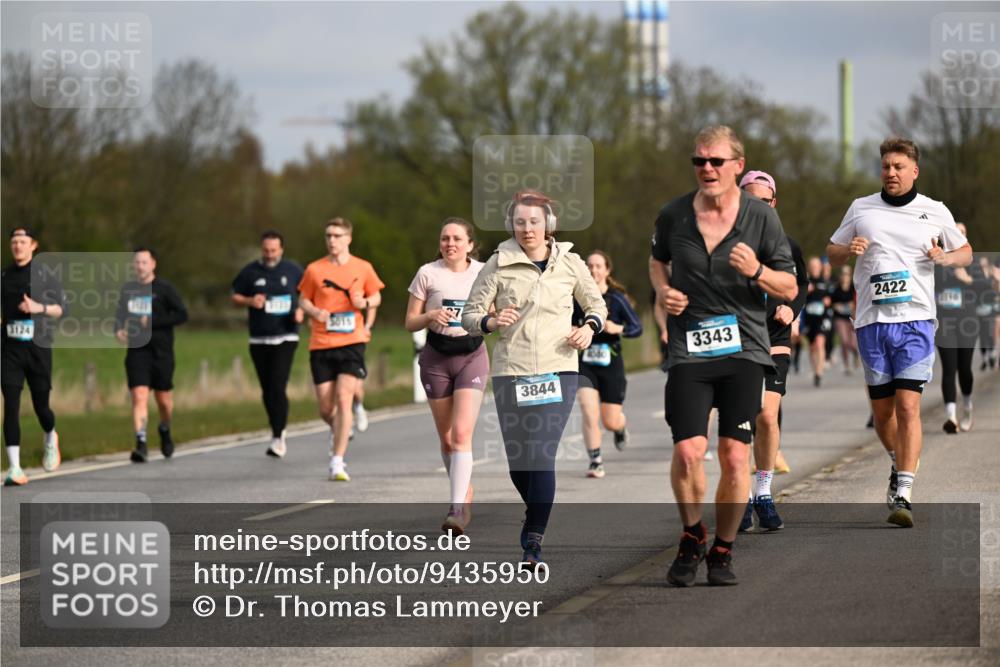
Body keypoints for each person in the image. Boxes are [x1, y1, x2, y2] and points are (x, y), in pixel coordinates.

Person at [650, 126, 797, 586]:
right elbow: (657, 262)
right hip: (689, 351)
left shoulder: (761, 218)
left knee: (735, 459)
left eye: (716, 161)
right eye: (699, 161)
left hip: (745, 352)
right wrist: (664, 291)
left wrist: (757, 271)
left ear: (737, 163)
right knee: (688, 451)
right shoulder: (673, 215)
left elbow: (789, 287)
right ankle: (693, 534)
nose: (707, 169)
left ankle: (723, 550)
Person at [827, 137, 972, 528]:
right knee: (883, 413)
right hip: (872, 322)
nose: (891, 173)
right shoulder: (861, 208)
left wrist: (945, 256)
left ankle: (904, 491)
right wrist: (848, 250)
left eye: (898, 167)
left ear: (914, 171)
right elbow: (832, 251)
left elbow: (967, 252)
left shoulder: (935, 211)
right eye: (886, 166)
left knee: (909, 407)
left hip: (917, 320)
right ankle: (898, 461)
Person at [463, 190, 607, 567]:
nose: (527, 229)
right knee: (519, 463)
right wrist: (491, 322)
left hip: (559, 369)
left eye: (535, 222)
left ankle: (533, 541)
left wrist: (589, 328)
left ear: (549, 226)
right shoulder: (497, 264)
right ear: (512, 224)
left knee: (541, 455)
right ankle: (536, 511)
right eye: (520, 222)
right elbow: (470, 315)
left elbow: (597, 306)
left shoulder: (571, 263)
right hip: (512, 371)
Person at [405, 218, 488, 534]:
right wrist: (429, 315)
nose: (450, 243)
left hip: (471, 356)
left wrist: (489, 319)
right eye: (444, 238)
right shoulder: (428, 273)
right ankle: (463, 489)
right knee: (448, 438)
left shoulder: (483, 272)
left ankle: (457, 509)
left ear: (469, 244)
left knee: (462, 433)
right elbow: (410, 322)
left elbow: (494, 311)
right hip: (436, 358)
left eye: (456, 238)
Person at [737, 170, 806, 532]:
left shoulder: (787, 244)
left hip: (776, 335)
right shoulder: (727, 243)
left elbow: (802, 284)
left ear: (773, 203)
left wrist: (791, 308)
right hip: (739, 338)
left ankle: (763, 491)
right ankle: (743, 495)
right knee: (742, 417)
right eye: (750, 200)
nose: (757, 207)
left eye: (764, 201)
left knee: (766, 414)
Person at [298, 217, 384, 482]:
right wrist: (314, 311)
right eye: (328, 236)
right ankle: (339, 426)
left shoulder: (363, 267)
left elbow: (377, 296)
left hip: (352, 341)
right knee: (326, 408)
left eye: (337, 235)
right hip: (321, 343)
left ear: (348, 238)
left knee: (343, 399)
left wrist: (365, 301)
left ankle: (337, 462)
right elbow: (303, 299)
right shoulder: (314, 269)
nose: (332, 240)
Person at [231, 230, 304, 457]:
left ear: (281, 249)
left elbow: (309, 295)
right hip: (259, 337)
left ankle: (278, 435)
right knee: (266, 389)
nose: (270, 254)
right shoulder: (251, 271)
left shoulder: (293, 270)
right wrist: (250, 300)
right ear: (261, 249)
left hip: (286, 336)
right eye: (266, 250)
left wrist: (301, 311)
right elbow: (234, 295)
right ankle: (275, 429)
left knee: (277, 384)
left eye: (274, 250)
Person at [2, 227, 65, 485]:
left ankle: (50, 435)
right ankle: (14, 468)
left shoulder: (45, 276)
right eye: (14, 242)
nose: (18, 246)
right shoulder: (4, 275)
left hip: (38, 349)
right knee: (11, 406)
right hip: (10, 350)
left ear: (33, 245)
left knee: (42, 408)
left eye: (23, 241)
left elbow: (63, 309)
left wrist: (36, 307)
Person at [574, 250, 643, 478]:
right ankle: (595, 461)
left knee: (610, 421)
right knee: (588, 411)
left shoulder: (617, 299)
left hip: (611, 362)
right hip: (585, 363)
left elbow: (637, 327)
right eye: (590, 266)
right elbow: (562, 322)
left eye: (598, 266)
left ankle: (620, 427)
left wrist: (618, 328)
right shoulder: (576, 297)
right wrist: (571, 330)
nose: (594, 270)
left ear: (607, 270)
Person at [116, 248, 188, 463]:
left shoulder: (165, 289)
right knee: (139, 396)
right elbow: (120, 315)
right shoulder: (128, 290)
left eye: (144, 262)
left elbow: (183, 314)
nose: (140, 266)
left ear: (153, 264)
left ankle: (165, 428)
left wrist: (154, 323)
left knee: (163, 401)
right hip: (138, 351)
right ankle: (141, 443)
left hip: (162, 352)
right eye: (137, 262)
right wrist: (118, 329)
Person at [934, 222, 977, 434]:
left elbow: (986, 289)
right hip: (944, 324)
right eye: (955, 232)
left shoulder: (972, 263)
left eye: (962, 232)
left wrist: (967, 279)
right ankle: (951, 416)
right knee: (949, 369)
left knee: (965, 369)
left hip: (967, 323)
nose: (958, 235)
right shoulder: (938, 264)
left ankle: (967, 406)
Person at [801, 256, 833, 387]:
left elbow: (832, 297)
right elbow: (797, 298)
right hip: (809, 318)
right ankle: (815, 370)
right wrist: (805, 292)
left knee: (820, 343)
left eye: (817, 266)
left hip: (822, 317)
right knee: (812, 346)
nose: (815, 268)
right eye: (812, 266)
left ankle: (819, 373)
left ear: (820, 267)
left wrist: (828, 301)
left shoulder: (825, 282)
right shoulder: (805, 282)